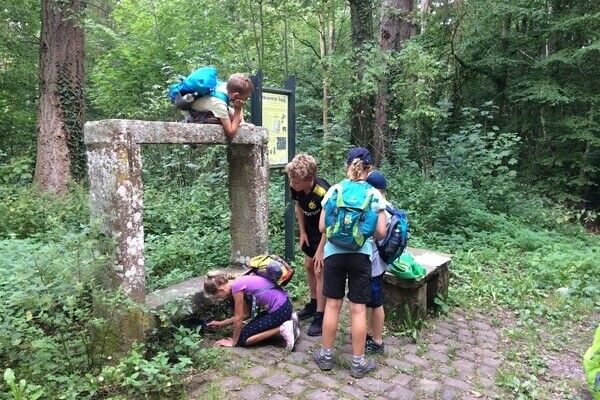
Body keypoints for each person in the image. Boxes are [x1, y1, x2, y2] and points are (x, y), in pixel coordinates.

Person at [312, 147, 388, 379]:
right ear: (369, 169)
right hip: (361, 255)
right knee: (357, 309)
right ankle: (358, 363)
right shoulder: (374, 194)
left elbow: (323, 227)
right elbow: (382, 232)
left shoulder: (335, 190)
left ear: (347, 166)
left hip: (334, 254)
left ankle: (325, 356)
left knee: (333, 305)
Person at [284, 154, 330, 336]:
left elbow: (330, 223)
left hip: (325, 234)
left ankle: (321, 315)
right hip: (309, 232)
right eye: (292, 180)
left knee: (320, 271)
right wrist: (301, 232)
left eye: (296, 182)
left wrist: (320, 250)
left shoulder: (323, 192)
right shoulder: (294, 185)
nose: (293, 184)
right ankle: (313, 304)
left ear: (309, 179)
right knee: (309, 266)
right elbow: (298, 207)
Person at [204, 272, 299, 349]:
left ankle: (283, 328)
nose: (219, 299)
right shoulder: (239, 282)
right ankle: (290, 319)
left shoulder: (236, 288)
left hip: (280, 310)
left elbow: (239, 318)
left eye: (217, 297)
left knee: (242, 340)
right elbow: (246, 314)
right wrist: (222, 323)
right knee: (247, 331)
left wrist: (233, 342)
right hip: (284, 306)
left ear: (221, 290)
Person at [364, 170, 391, 355]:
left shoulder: (380, 209)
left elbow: (374, 235)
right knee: (370, 300)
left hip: (375, 262)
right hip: (379, 261)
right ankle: (369, 331)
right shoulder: (387, 205)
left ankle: (378, 340)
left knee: (376, 302)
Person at [188, 73, 254, 139]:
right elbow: (231, 133)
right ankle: (194, 120)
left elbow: (239, 106)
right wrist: (237, 110)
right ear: (236, 95)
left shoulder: (227, 86)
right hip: (194, 112)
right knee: (232, 119)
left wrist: (242, 122)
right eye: (245, 98)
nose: (245, 100)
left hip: (207, 105)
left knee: (235, 118)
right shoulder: (220, 104)